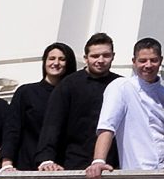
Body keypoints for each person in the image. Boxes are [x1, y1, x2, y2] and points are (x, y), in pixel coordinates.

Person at [87, 39, 164, 174]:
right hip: (136, 172)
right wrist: (98, 161)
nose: (148, 65)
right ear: (134, 61)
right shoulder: (121, 87)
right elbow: (107, 126)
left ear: (161, 60)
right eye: (142, 61)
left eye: (153, 60)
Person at [38, 34, 119, 170]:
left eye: (106, 55)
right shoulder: (68, 84)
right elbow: (53, 123)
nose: (100, 60)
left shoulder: (121, 84)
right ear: (86, 58)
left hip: (113, 164)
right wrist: (46, 159)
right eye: (95, 56)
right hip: (74, 163)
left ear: (113, 56)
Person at [9, 42, 72, 171]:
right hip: (27, 164)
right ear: (44, 62)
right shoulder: (26, 92)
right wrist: (7, 162)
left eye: (62, 59)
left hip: (62, 165)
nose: (56, 63)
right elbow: (12, 129)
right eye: (52, 58)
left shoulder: (73, 95)